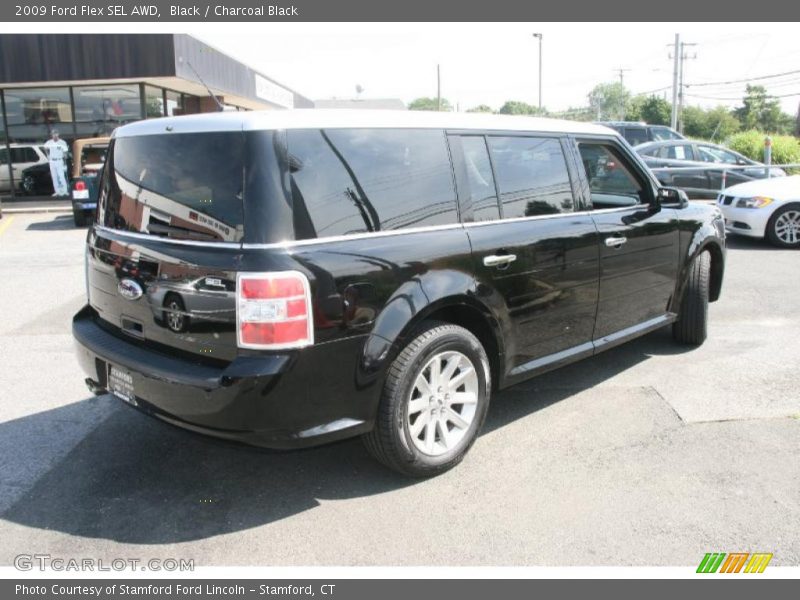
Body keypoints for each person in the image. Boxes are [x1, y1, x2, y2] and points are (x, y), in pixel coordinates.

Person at [44, 129, 69, 197]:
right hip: (52, 161)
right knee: (54, 176)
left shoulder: (62, 142)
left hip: (59, 160)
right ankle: (57, 191)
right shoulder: (49, 142)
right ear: (51, 135)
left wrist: (64, 157)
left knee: (61, 176)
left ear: (58, 134)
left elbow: (65, 151)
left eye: (55, 134)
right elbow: (45, 148)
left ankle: (65, 191)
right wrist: (48, 155)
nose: (54, 135)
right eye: (53, 134)